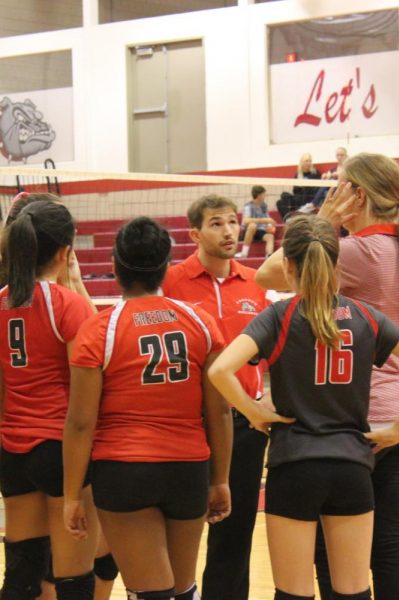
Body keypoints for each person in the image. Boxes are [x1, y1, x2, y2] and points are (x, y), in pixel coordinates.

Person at [209, 215, 399, 600]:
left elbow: (220, 369)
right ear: (336, 263)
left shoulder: (278, 316)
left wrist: (255, 413)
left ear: (288, 266)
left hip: (294, 466)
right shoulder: (364, 315)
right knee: (353, 593)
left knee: (293, 593)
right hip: (352, 467)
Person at [257, 153, 399, 600]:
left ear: (356, 195)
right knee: (385, 543)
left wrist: (323, 220)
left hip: (355, 417)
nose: (332, 191)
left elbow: (270, 272)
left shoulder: (359, 251)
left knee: (334, 547)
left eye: (339, 185)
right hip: (398, 408)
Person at [64, 217, 233, 600]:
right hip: (188, 468)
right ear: (166, 265)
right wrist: (220, 478)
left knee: (151, 593)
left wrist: (72, 494)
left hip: (126, 471)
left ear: (114, 264)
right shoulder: (200, 322)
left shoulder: (100, 330)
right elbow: (219, 412)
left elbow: (79, 423)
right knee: (182, 589)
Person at [0, 191, 106, 600]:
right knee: (73, 581)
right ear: (65, 251)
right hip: (61, 450)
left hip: (15, 452)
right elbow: (86, 396)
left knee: (21, 577)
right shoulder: (70, 306)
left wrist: (10, 441)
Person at [163, 194, 270, 599]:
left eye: (232, 222)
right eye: (216, 224)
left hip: (243, 426)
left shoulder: (255, 282)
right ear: (194, 233)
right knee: (180, 532)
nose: (228, 231)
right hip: (190, 426)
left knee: (234, 536)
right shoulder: (172, 282)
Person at [277, 153, 321, 220]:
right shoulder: (298, 174)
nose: (308, 163)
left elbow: (318, 189)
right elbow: (294, 190)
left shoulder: (315, 173)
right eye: (307, 161)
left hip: (309, 199)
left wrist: (305, 186)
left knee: (305, 190)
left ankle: (296, 213)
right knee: (282, 198)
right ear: (302, 163)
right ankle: (288, 218)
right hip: (298, 198)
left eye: (310, 161)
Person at [238, 186, 278, 259]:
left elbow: (268, 218)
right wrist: (264, 220)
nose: (265, 196)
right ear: (259, 195)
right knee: (252, 225)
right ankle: (244, 253)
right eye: (264, 194)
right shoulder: (248, 206)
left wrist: (269, 225)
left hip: (260, 231)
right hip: (248, 232)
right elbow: (246, 220)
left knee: (270, 237)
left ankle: (269, 256)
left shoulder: (263, 205)